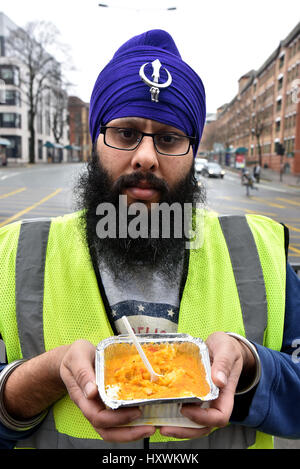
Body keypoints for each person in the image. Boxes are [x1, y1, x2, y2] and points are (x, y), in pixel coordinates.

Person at [0, 29, 300, 451]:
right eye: (125, 133)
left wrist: (251, 367)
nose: (145, 156)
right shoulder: (14, 255)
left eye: (169, 138)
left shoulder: (258, 249)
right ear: (96, 141)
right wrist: (44, 376)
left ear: (194, 150)